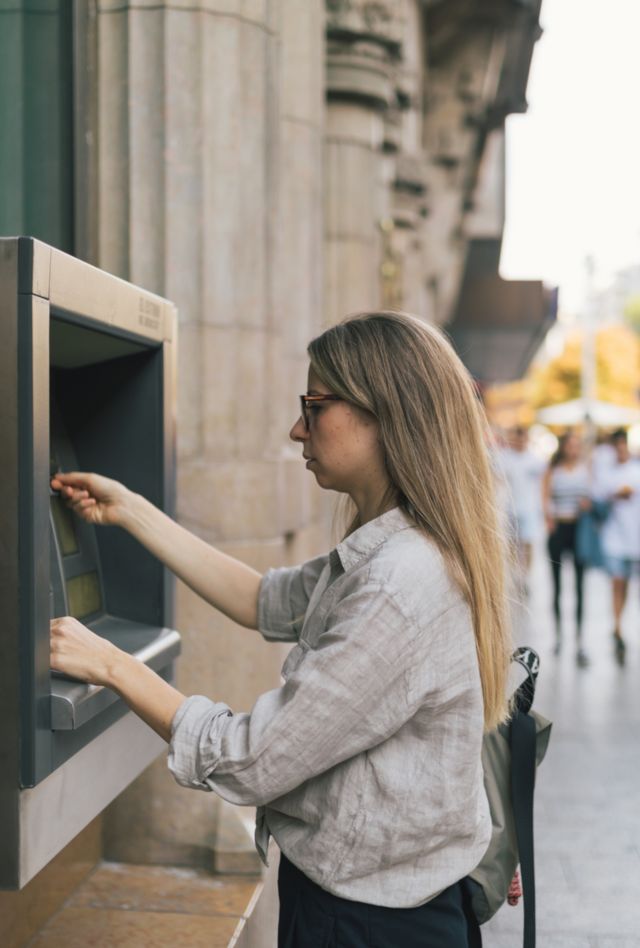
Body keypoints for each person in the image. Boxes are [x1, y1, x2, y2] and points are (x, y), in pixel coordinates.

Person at [50, 311, 512, 948]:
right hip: (386, 906)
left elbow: (250, 761)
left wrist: (111, 665)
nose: (298, 428)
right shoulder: (395, 547)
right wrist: (132, 511)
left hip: (367, 924)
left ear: (386, 414)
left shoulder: (398, 583)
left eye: (315, 404)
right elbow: (261, 599)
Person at [542, 431, 591, 665]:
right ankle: (559, 636)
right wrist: (549, 519)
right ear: (563, 447)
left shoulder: (585, 470)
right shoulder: (553, 470)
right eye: (571, 445)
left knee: (581, 586)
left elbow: (592, 497)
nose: (574, 449)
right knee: (557, 586)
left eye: (577, 445)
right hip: (559, 530)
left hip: (579, 530)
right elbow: (544, 497)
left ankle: (580, 639)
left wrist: (587, 505)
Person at [593, 428, 640, 663]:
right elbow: (597, 499)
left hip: (635, 539)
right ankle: (618, 626)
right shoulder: (607, 475)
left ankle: (621, 622)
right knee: (617, 582)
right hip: (614, 538)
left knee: (628, 585)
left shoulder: (636, 471)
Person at [496, 426, 545, 589]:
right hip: (510, 507)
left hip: (530, 508)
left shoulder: (535, 460)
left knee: (528, 542)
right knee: (511, 542)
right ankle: (514, 573)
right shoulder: (504, 458)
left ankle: (526, 575)